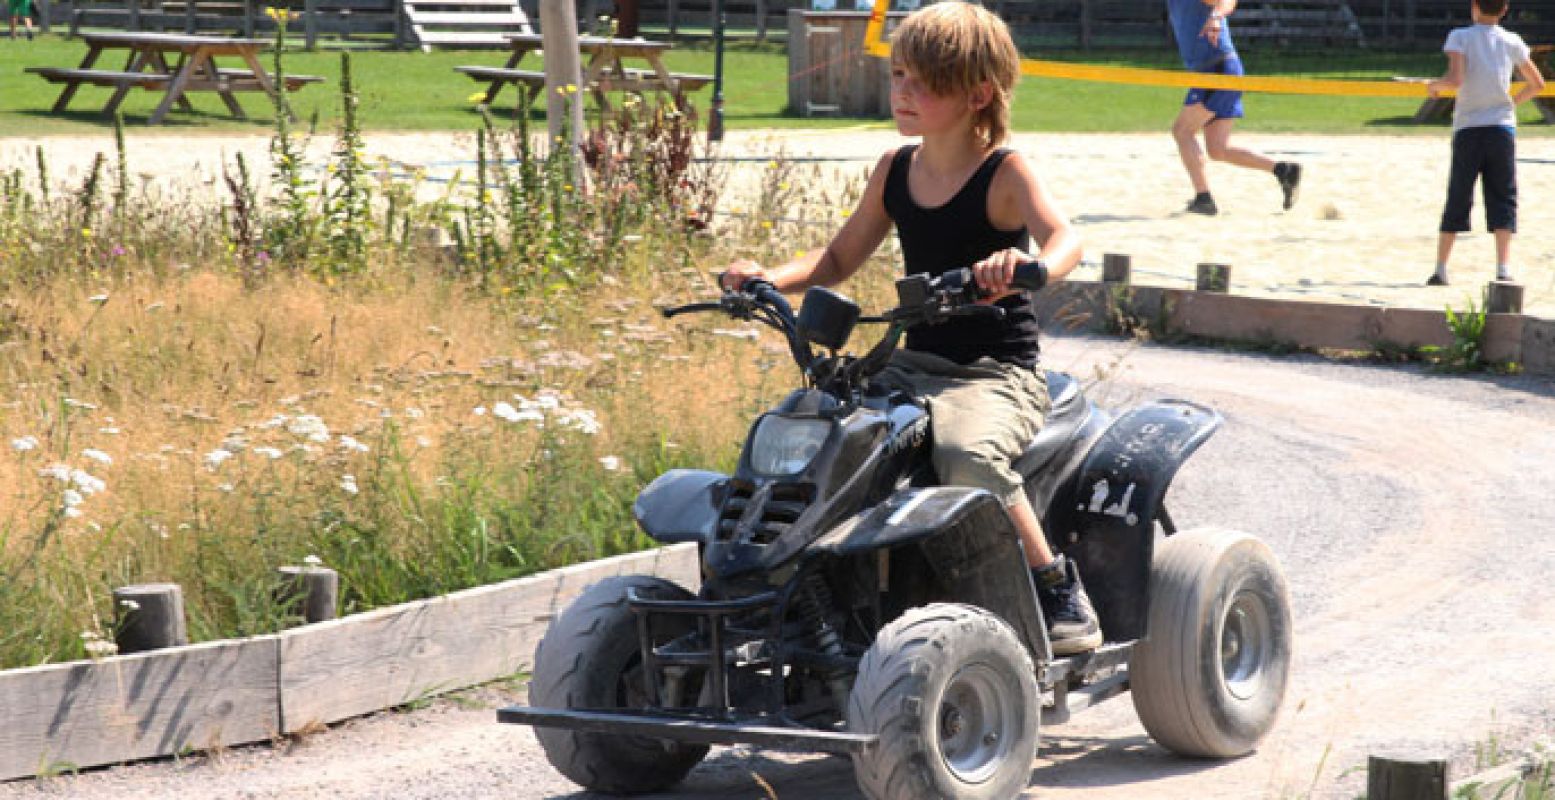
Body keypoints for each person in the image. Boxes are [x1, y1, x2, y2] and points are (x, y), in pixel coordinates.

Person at [719, 1, 1101, 654]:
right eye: (897, 75)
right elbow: (838, 259)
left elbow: (1065, 239)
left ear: (977, 92)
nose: (902, 92)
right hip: (910, 369)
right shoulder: (896, 168)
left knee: (964, 456)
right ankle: (789, 596)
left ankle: (1054, 588)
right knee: (814, 434)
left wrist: (1030, 268)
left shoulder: (1001, 173)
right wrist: (765, 279)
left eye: (921, 81)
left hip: (992, 376)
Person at [1426, 0, 1545, 286]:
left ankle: (1441, 269)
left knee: (1459, 193)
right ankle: (1503, 268)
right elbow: (1537, 83)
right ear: (1504, 10)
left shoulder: (1460, 36)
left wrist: (1434, 86)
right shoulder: (1511, 40)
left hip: (1469, 127)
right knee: (1503, 195)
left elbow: (1455, 79)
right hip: (1501, 128)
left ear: (1474, 7)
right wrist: (1510, 104)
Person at [1167, 0, 1301, 215]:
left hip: (1217, 69)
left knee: (1182, 131)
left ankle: (1203, 199)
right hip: (1216, 70)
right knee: (1218, 149)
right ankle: (1283, 170)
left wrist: (1216, 17)